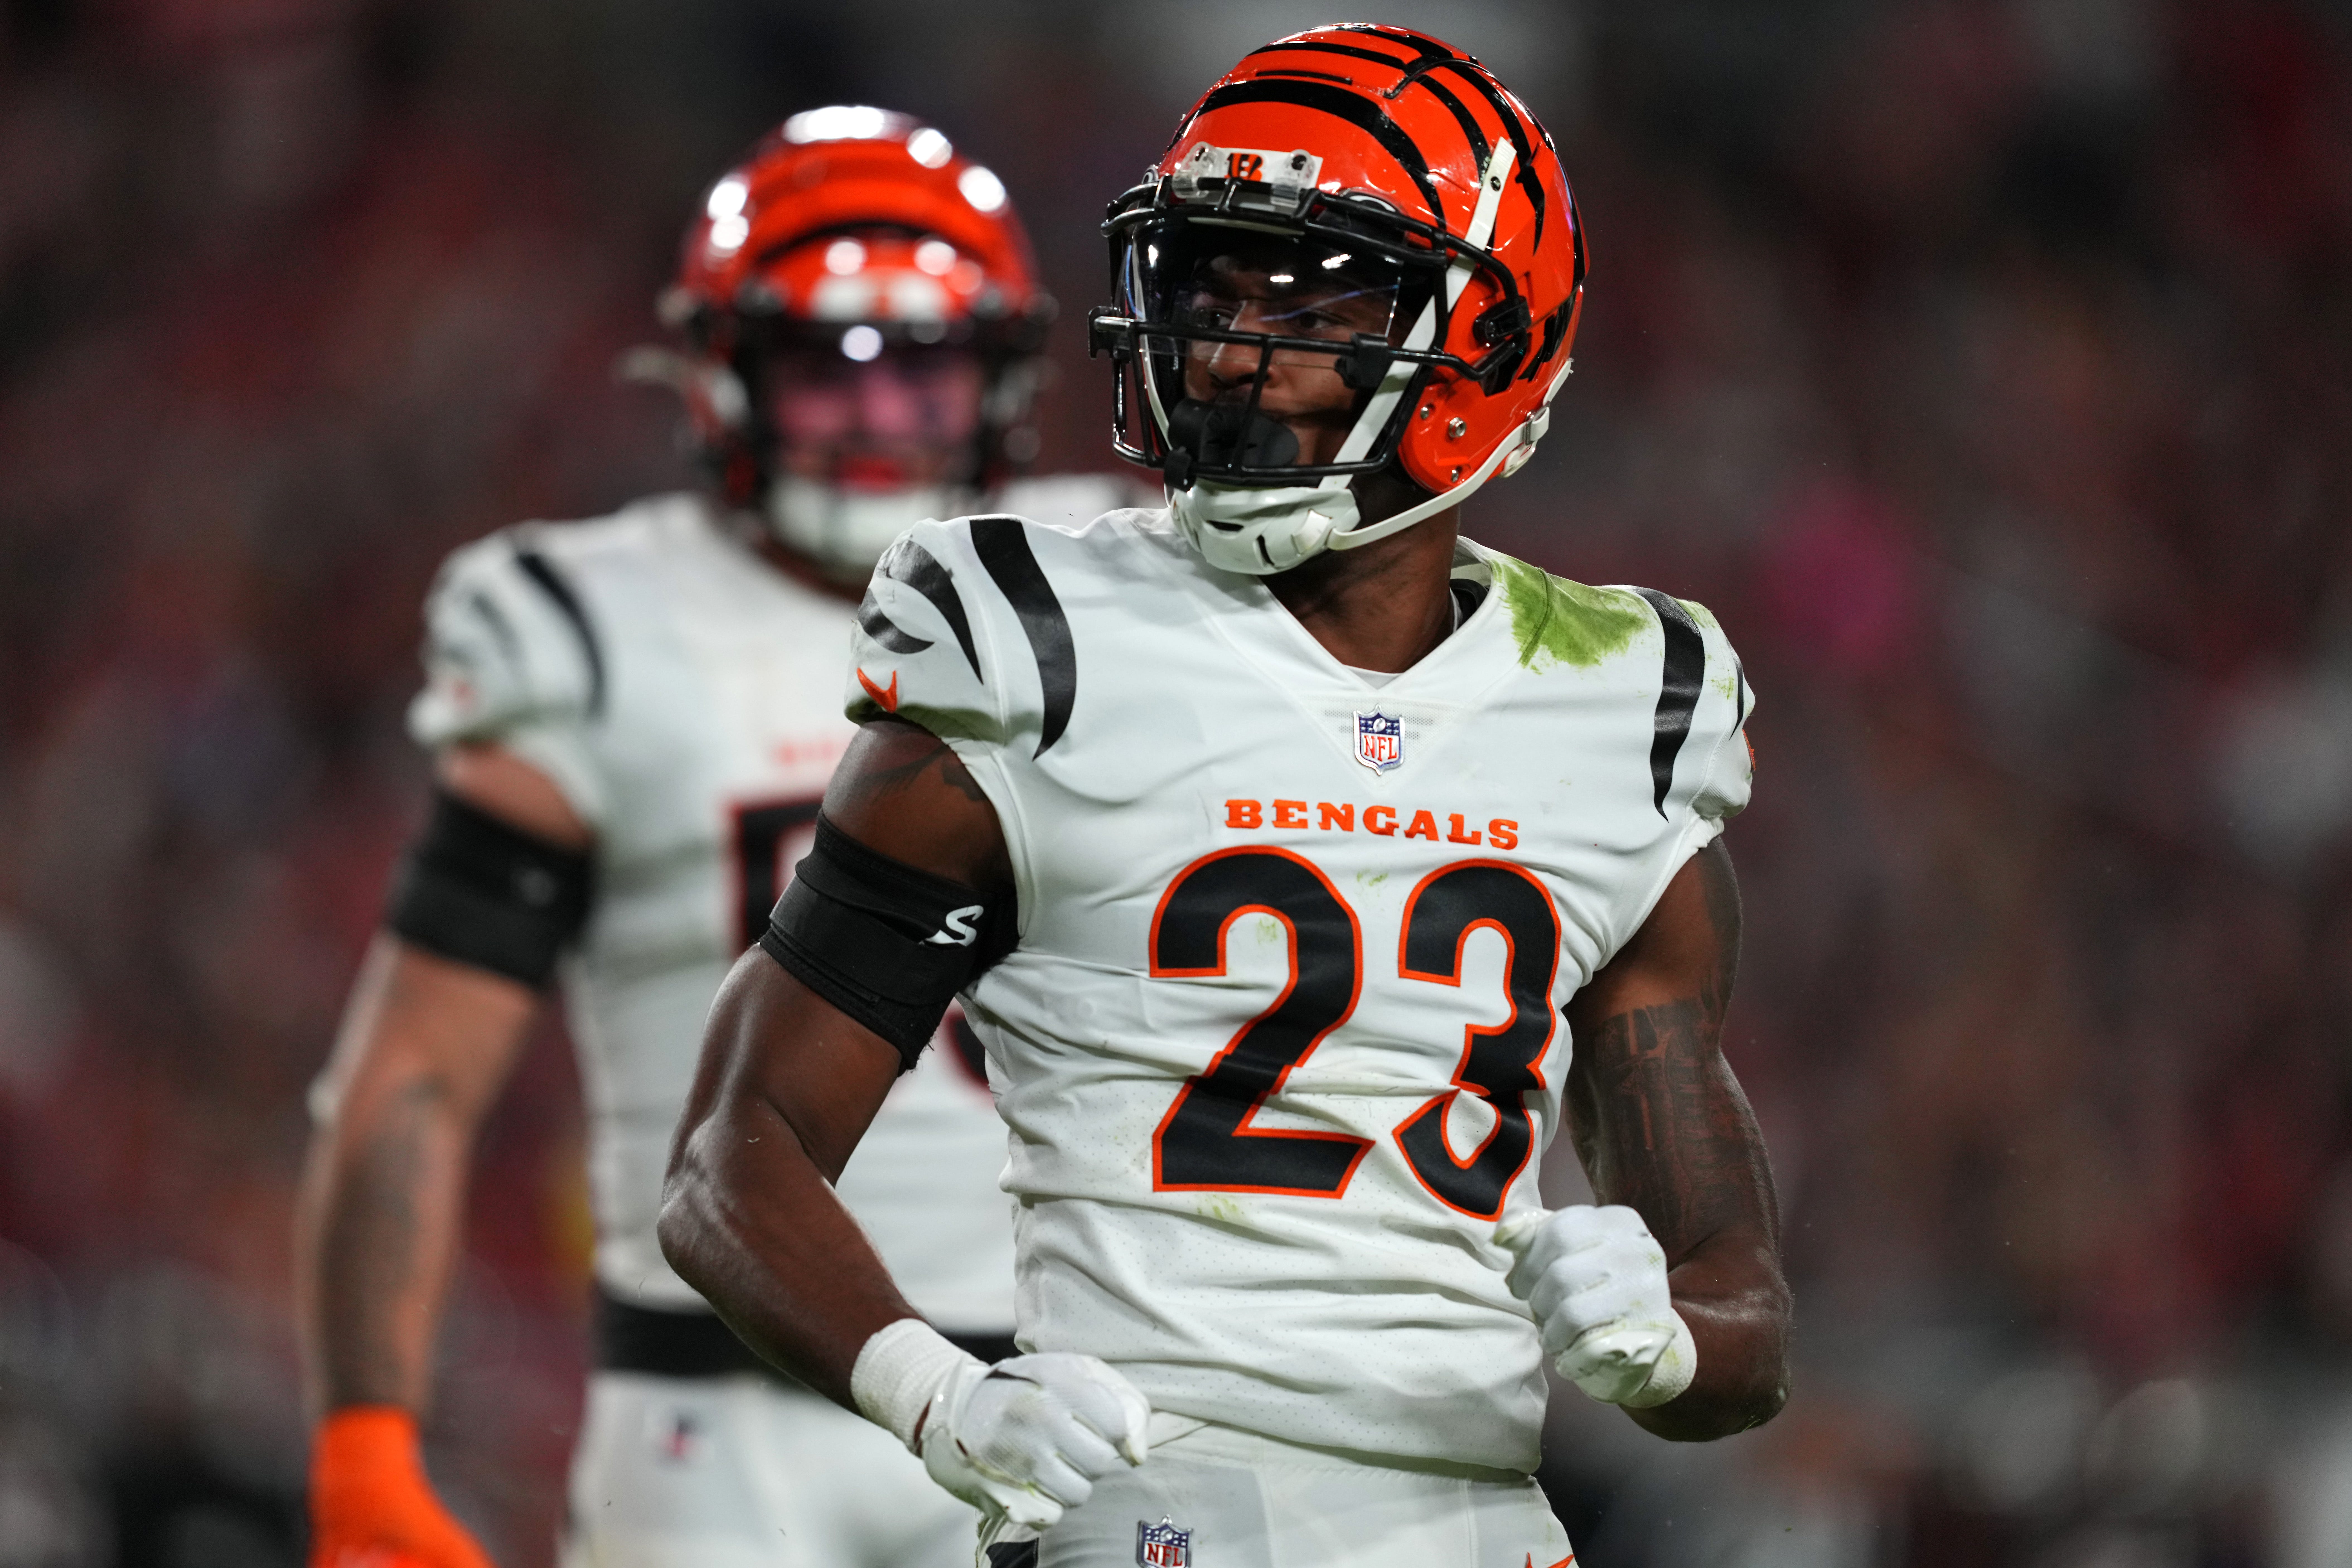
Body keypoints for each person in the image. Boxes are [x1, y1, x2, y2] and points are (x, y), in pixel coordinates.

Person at [662, 26, 1792, 1568]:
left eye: (1314, 295)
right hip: (1161, 1514)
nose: (1228, 349)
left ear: (1489, 333)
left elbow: (1739, 1312)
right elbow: (736, 1151)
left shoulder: (1621, 700)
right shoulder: (1035, 644)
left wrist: (1663, 1338)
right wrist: (936, 1393)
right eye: (1210, 284)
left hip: (1483, 1524)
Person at [295, 107, 1136, 1568]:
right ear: (716, 377)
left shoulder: (1124, 585)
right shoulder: (591, 626)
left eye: (921, 369)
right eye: (826, 370)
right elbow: (417, 1078)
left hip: (1076, 1395)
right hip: (716, 1416)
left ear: (998, 375)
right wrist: (366, 1437)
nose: (879, 424)